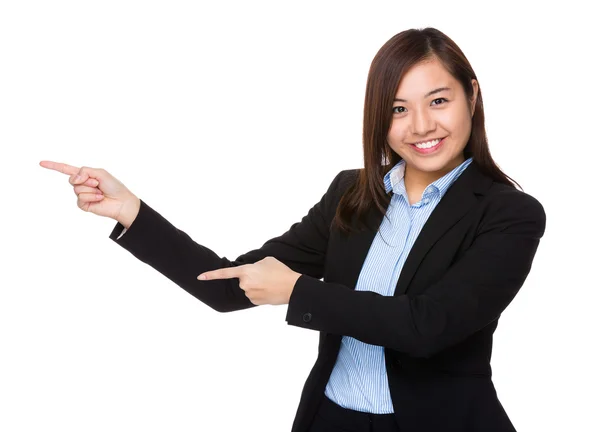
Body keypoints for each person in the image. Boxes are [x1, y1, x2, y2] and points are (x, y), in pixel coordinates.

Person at [40, 27, 546, 432]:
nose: (420, 126)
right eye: (398, 108)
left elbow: (427, 327)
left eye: (438, 101)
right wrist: (132, 212)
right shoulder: (352, 194)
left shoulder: (509, 214)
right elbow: (228, 284)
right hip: (332, 419)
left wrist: (302, 292)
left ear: (472, 96)